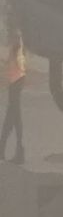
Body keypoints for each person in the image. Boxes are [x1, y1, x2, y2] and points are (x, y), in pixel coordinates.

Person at [1, 31, 25, 163]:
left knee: (13, 118)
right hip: (14, 85)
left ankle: (18, 151)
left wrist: (16, 83)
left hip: (15, 85)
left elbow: (20, 69)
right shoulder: (15, 49)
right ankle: (6, 149)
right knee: (12, 119)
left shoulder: (17, 49)